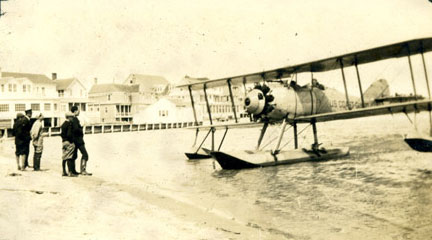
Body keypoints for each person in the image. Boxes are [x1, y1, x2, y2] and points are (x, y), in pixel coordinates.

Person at [70, 106, 92, 176]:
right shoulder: (75, 119)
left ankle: (72, 170)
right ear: (75, 111)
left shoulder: (71, 119)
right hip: (79, 140)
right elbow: (76, 129)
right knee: (85, 155)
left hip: (74, 140)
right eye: (78, 110)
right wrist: (81, 128)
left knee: (74, 155)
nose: (79, 112)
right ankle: (83, 170)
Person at [61, 112, 77, 177]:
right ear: (69, 117)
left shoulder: (63, 124)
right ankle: (70, 172)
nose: (73, 118)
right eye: (72, 117)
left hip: (64, 142)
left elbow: (62, 134)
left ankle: (64, 172)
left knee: (64, 157)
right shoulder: (69, 124)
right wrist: (72, 140)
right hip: (69, 142)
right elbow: (69, 134)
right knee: (69, 157)